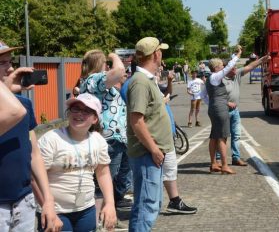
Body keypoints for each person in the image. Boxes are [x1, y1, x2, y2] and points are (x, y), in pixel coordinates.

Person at [0, 41, 61, 232]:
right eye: (2, 63)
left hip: (23, 201)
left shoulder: (24, 104)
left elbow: (33, 154)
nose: (10, 69)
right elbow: (13, 112)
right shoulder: (17, 108)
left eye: (10, 62)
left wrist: (48, 201)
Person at [37, 93, 117, 231]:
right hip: (56, 211)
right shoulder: (52, 139)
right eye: (75, 108)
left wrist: (110, 203)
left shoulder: (98, 140)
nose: (79, 114)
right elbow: (36, 177)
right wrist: (47, 206)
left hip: (86, 209)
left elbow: (103, 172)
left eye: (86, 111)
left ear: (95, 118)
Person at [126, 37, 175, 231]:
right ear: (156, 54)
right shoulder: (140, 82)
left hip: (150, 154)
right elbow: (136, 121)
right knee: (147, 206)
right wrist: (154, 149)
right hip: (147, 154)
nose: (161, 54)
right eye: (160, 51)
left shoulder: (145, 80)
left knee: (146, 205)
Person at [79, 50, 133, 210]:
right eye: (105, 63)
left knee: (120, 175)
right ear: (99, 64)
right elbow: (119, 71)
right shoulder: (93, 80)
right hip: (107, 139)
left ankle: (114, 204)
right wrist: (114, 56)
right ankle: (103, 212)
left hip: (117, 138)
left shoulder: (97, 81)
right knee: (106, 179)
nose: (108, 66)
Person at [220, 54, 271, 166]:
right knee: (222, 136)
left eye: (235, 67)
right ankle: (219, 159)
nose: (235, 69)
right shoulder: (220, 79)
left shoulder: (237, 74)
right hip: (223, 111)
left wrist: (262, 59)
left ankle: (236, 158)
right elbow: (214, 98)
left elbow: (250, 66)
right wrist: (227, 103)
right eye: (233, 67)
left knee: (236, 135)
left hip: (235, 111)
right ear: (226, 68)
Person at [205, 45, 242, 175]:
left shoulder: (210, 79)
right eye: (221, 66)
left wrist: (212, 104)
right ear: (216, 68)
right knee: (222, 136)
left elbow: (204, 96)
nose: (223, 68)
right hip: (220, 109)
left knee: (214, 136)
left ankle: (213, 163)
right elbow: (229, 67)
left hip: (213, 108)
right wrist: (237, 55)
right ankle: (225, 165)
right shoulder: (215, 77)